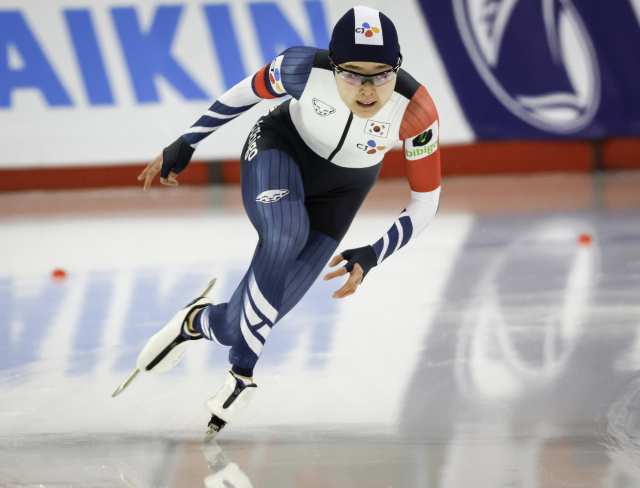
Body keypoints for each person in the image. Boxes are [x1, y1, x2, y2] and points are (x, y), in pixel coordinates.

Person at [126, 6, 441, 436]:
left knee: (241, 322)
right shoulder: (300, 68)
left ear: (397, 68)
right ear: (331, 66)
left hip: (343, 193)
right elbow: (245, 92)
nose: (368, 89)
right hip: (280, 150)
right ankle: (242, 374)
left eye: (381, 74)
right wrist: (188, 141)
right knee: (285, 232)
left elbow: (425, 201)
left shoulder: (416, 113)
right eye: (352, 74)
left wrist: (373, 253)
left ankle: (194, 322)